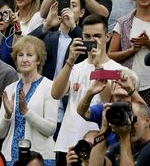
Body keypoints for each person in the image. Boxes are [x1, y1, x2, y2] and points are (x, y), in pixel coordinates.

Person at [51, 14, 124, 163]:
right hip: (68, 143)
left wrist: (98, 67)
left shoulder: (118, 70)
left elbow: (108, 102)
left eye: (97, 36)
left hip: (98, 145)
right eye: (87, 36)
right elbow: (55, 94)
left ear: (107, 37)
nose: (92, 41)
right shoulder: (75, 68)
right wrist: (70, 60)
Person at [0, 36, 58, 164]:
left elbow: (50, 129)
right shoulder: (10, 88)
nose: (24, 59)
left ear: (38, 60)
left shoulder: (50, 87)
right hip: (11, 159)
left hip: (40, 159)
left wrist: (26, 112)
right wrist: (7, 115)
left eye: (29, 55)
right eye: (20, 55)